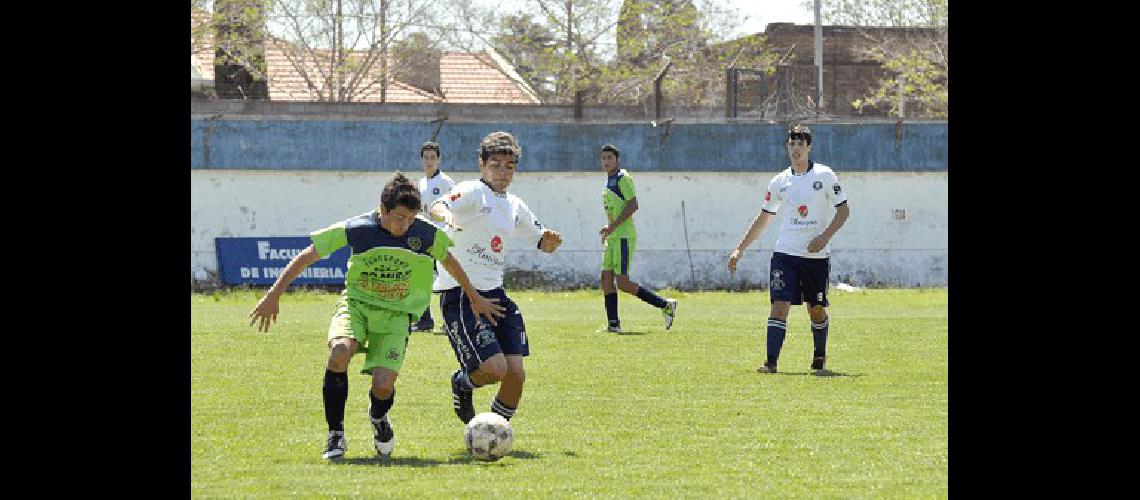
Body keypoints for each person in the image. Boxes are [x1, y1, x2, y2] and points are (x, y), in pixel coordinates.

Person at [248, 172, 503, 460]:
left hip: (396, 315)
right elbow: (309, 254)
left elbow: (449, 261)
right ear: (382, 210)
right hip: (356, 305)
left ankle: (379, 418)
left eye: (409, 218)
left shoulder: (425, 234)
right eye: (398, 218)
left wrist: (474, 296)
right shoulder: (358, 228)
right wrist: (274, 294)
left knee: (383, 385)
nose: (404, 225)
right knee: (340, 352)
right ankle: (336, 435)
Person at [428, 131, 564, 425]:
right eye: (495, 165)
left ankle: (494, 430)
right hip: (462, 294)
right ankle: (462, 383)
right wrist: (446, 216)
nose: (502, 173)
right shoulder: (473, 192)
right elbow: (438, 206)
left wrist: (550, 241)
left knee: (515, 375)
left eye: (509, 167)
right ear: (482, 164)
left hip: (496, 294)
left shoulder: (515, 204)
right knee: (493, 369)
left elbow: (541, 240)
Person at [727, 125, 850, 374]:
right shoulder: (780, 181)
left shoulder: (825, 175)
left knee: (815, 309)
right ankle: (771, 363)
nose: (795, 149)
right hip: (785, 254)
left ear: (809, 147)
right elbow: (764, 216)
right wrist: (740, 249)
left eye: (800, 144)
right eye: (791, 144)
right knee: (780, 305)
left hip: (815, 257)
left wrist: (824, 237)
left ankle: (819, 356)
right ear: (787, 147)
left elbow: (844, 210)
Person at [596, 144, 677, 333]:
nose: (606, 161)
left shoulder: (623, 178)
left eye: (610, 157)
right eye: (603, 158)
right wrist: (608, 229)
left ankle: (665, 304)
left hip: (624, 236)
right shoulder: (609, 181)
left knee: (622, 282)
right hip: (614, 237)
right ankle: (613, 325)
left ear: (617, 159)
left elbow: (633, 205)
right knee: (606, 280)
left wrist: (612, 227)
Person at [412, 140, 457, 334]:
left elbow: (456, 209)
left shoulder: (446, 183)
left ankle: (451, 322)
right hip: (423, 237)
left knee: (447, 280)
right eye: (426, 158)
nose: (429, 161)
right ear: (421, 160)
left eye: (433, 157)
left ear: (439, 160)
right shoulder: (420, 184)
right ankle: (424, 320)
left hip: (441, 237)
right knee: (421, 279)